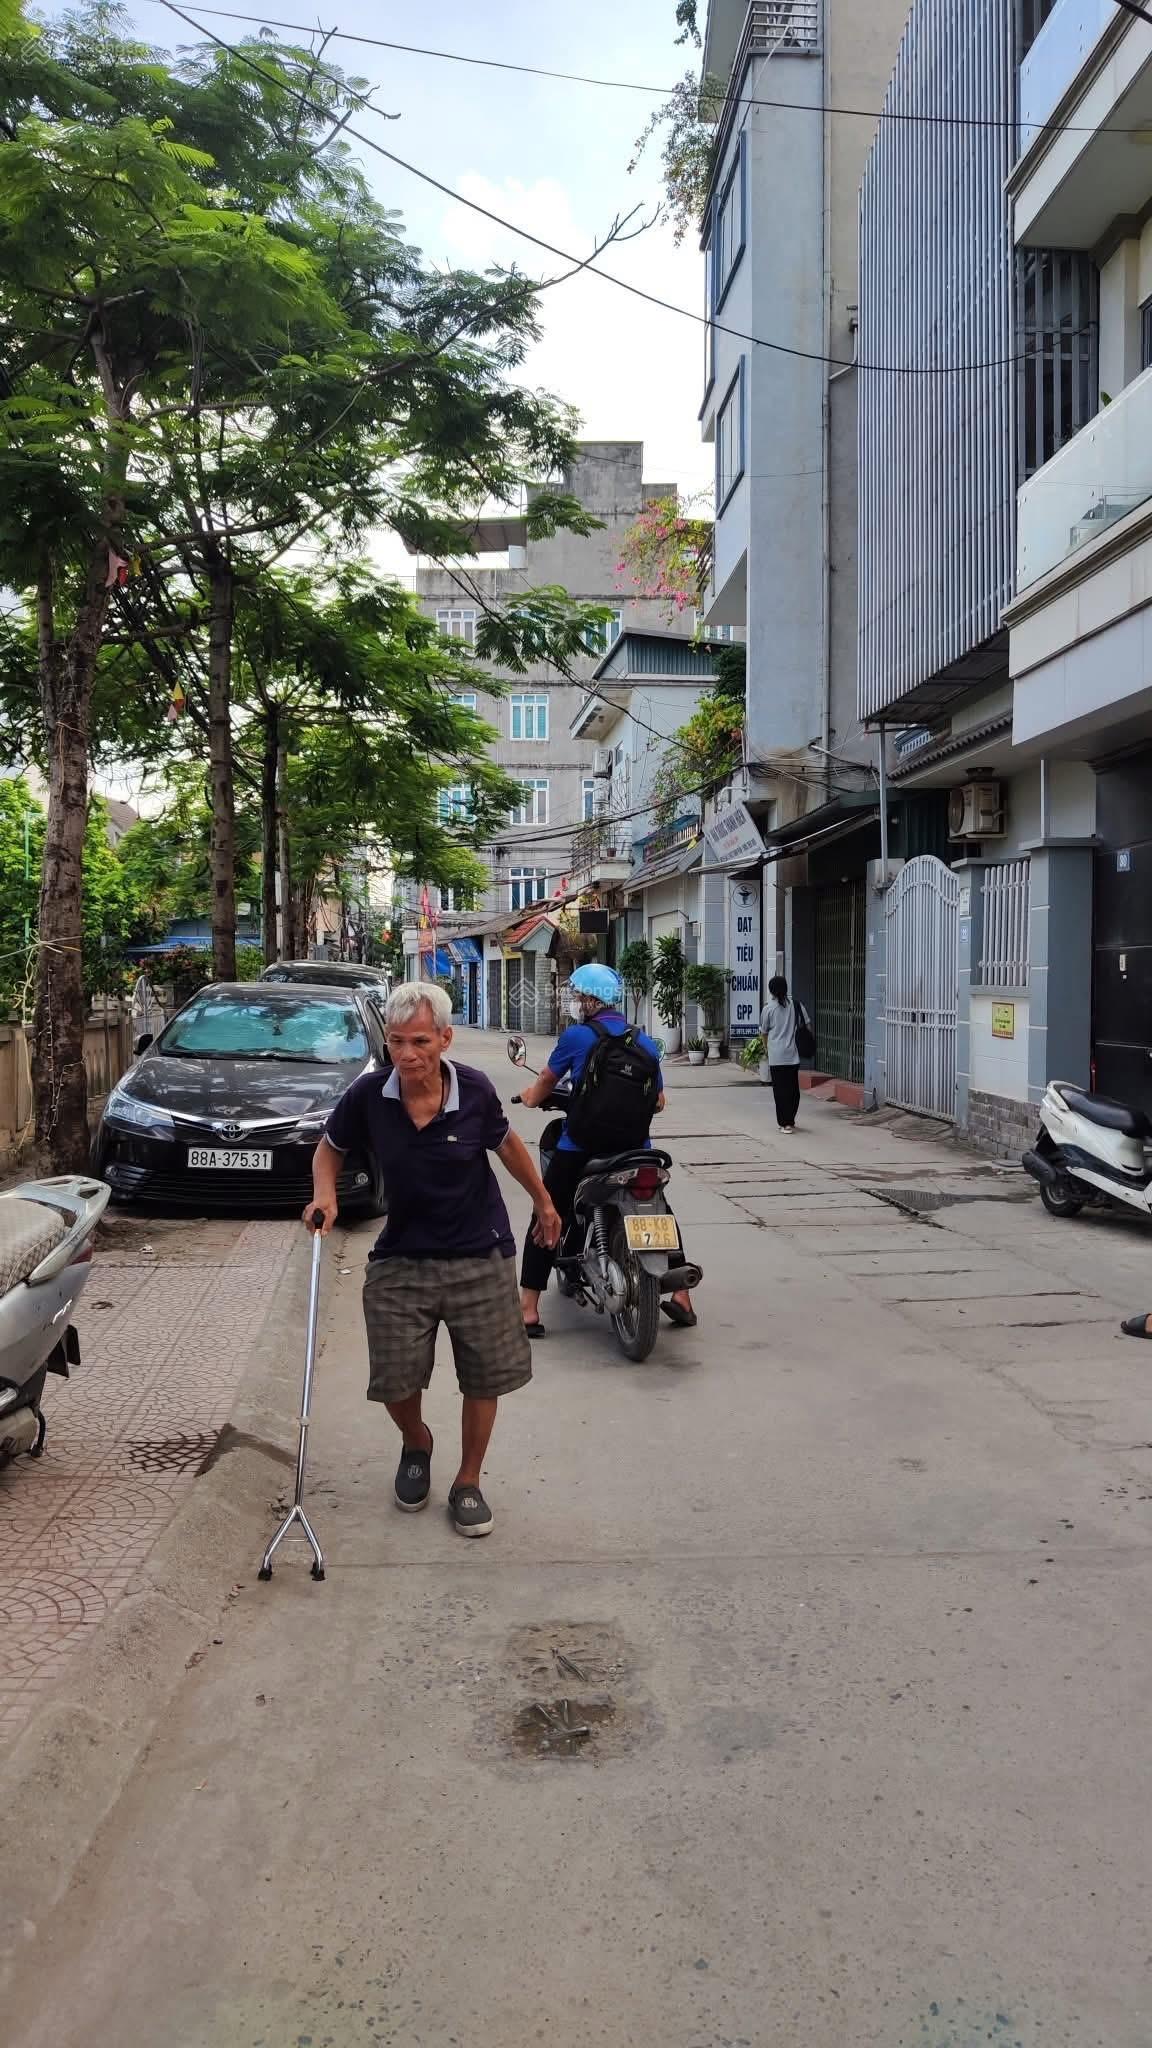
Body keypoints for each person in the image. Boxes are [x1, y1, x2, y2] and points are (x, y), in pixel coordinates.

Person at [309, 982, 561, 1538]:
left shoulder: (474, 1090)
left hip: (480, 1250)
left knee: (484, 1376)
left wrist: (543, 1202)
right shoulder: (368, 1095)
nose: (407, 1054)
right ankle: (416, 1440)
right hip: (402, 1254)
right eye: (397, 1041)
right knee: (393, 1376)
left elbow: (506, 1145)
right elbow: (330, 1148)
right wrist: (325, 1196)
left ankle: (468, 1481)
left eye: (420, 1041)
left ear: (445, 1039)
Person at [517, 962, 697, 1335]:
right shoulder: (644, 1042)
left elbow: (544, 1084)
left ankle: (529, 1309)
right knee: (659, 1210)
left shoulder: (577, 1037)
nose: (574, 1001)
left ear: (589, 999)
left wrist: (529, 1098)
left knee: (548, 1211)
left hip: (581, 1146)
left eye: (577, 995)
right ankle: (681, 1295)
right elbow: (659, 1101)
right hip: (634, 1149)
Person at [758, 974, 811, 1133]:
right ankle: (790, 1120)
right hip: (793, 1055)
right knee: (793, 1090)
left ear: (771, 991)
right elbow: (807, 1026)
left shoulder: (768, 1008)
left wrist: (766, 1049)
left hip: (776, 1056)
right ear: (786, 989)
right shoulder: (797, 1005)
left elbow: (764, 1032)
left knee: (780, 1091)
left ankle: (784, 1123)